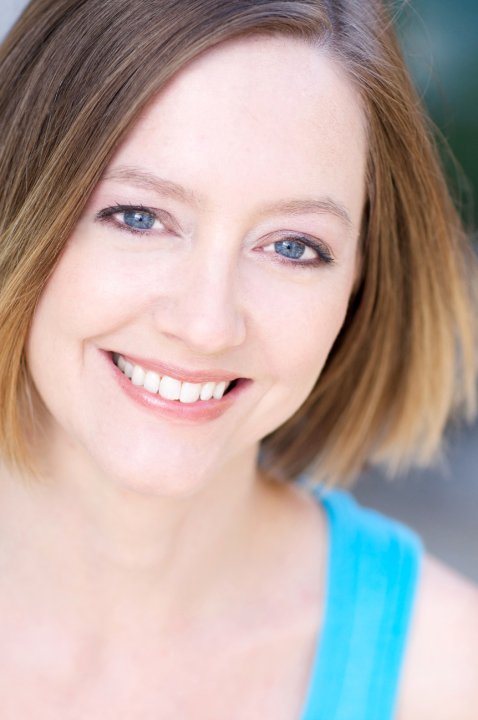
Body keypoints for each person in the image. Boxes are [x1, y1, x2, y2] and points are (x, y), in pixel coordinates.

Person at [0, 0, 477, 717]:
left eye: (292, 246)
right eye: (138, 216)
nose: (206, 326)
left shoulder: (448, 678)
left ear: (359, 276)